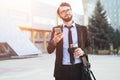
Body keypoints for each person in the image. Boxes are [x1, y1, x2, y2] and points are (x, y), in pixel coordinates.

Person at [47, 2, 91, 80]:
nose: (66, 13)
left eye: (68, 10)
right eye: (63, 11)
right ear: (59, 15)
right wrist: (54, 41)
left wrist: (83, 51)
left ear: (71, 11)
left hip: (80, 68)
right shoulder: (56, 30)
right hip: (62, 71)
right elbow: (49, 50)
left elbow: (90, 47)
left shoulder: (83, 29)